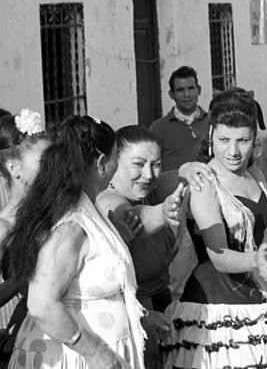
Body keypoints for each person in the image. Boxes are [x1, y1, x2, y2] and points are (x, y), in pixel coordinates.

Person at [162, 89, 267, 369]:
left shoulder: (257, 176)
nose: (234, 151)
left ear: (255, 139)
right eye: (224, 140)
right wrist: (256, 260)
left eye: (243, 140)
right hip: (214, 307)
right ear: (212, 136)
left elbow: (266, 245)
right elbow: (218, 255)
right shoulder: (205, 182)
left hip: (253, 295)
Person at [3, 115, 159, 369]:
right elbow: (41, 304)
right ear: (101, 163)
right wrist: (94, 351)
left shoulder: (88, 210)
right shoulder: (71, 225)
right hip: (73, 359)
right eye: (115, 158)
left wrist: (141, 318)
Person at [96, 125, 196, 369]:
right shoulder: (109, 201)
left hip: (163, 304)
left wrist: (190, 169)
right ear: (112, 163)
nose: (149, 174)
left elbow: (174, 176)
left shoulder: (150, 188)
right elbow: (134, 216)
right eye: (138, 164)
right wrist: (163, 212)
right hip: (131, 316)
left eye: (156, 164)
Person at [0, 109, 52, 329]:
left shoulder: (57, 210)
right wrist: (20, 279)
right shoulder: (4, 226)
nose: (53, 168)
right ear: (14, 168)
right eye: (43, 161)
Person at [150, 66, 210, 199]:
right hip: (175, 200)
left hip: (209, 195)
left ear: (199, 90)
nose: (187, 95)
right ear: (171, 94)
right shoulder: (158, 128)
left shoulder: (213, 123)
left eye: (191, 88)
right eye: (180, 90)